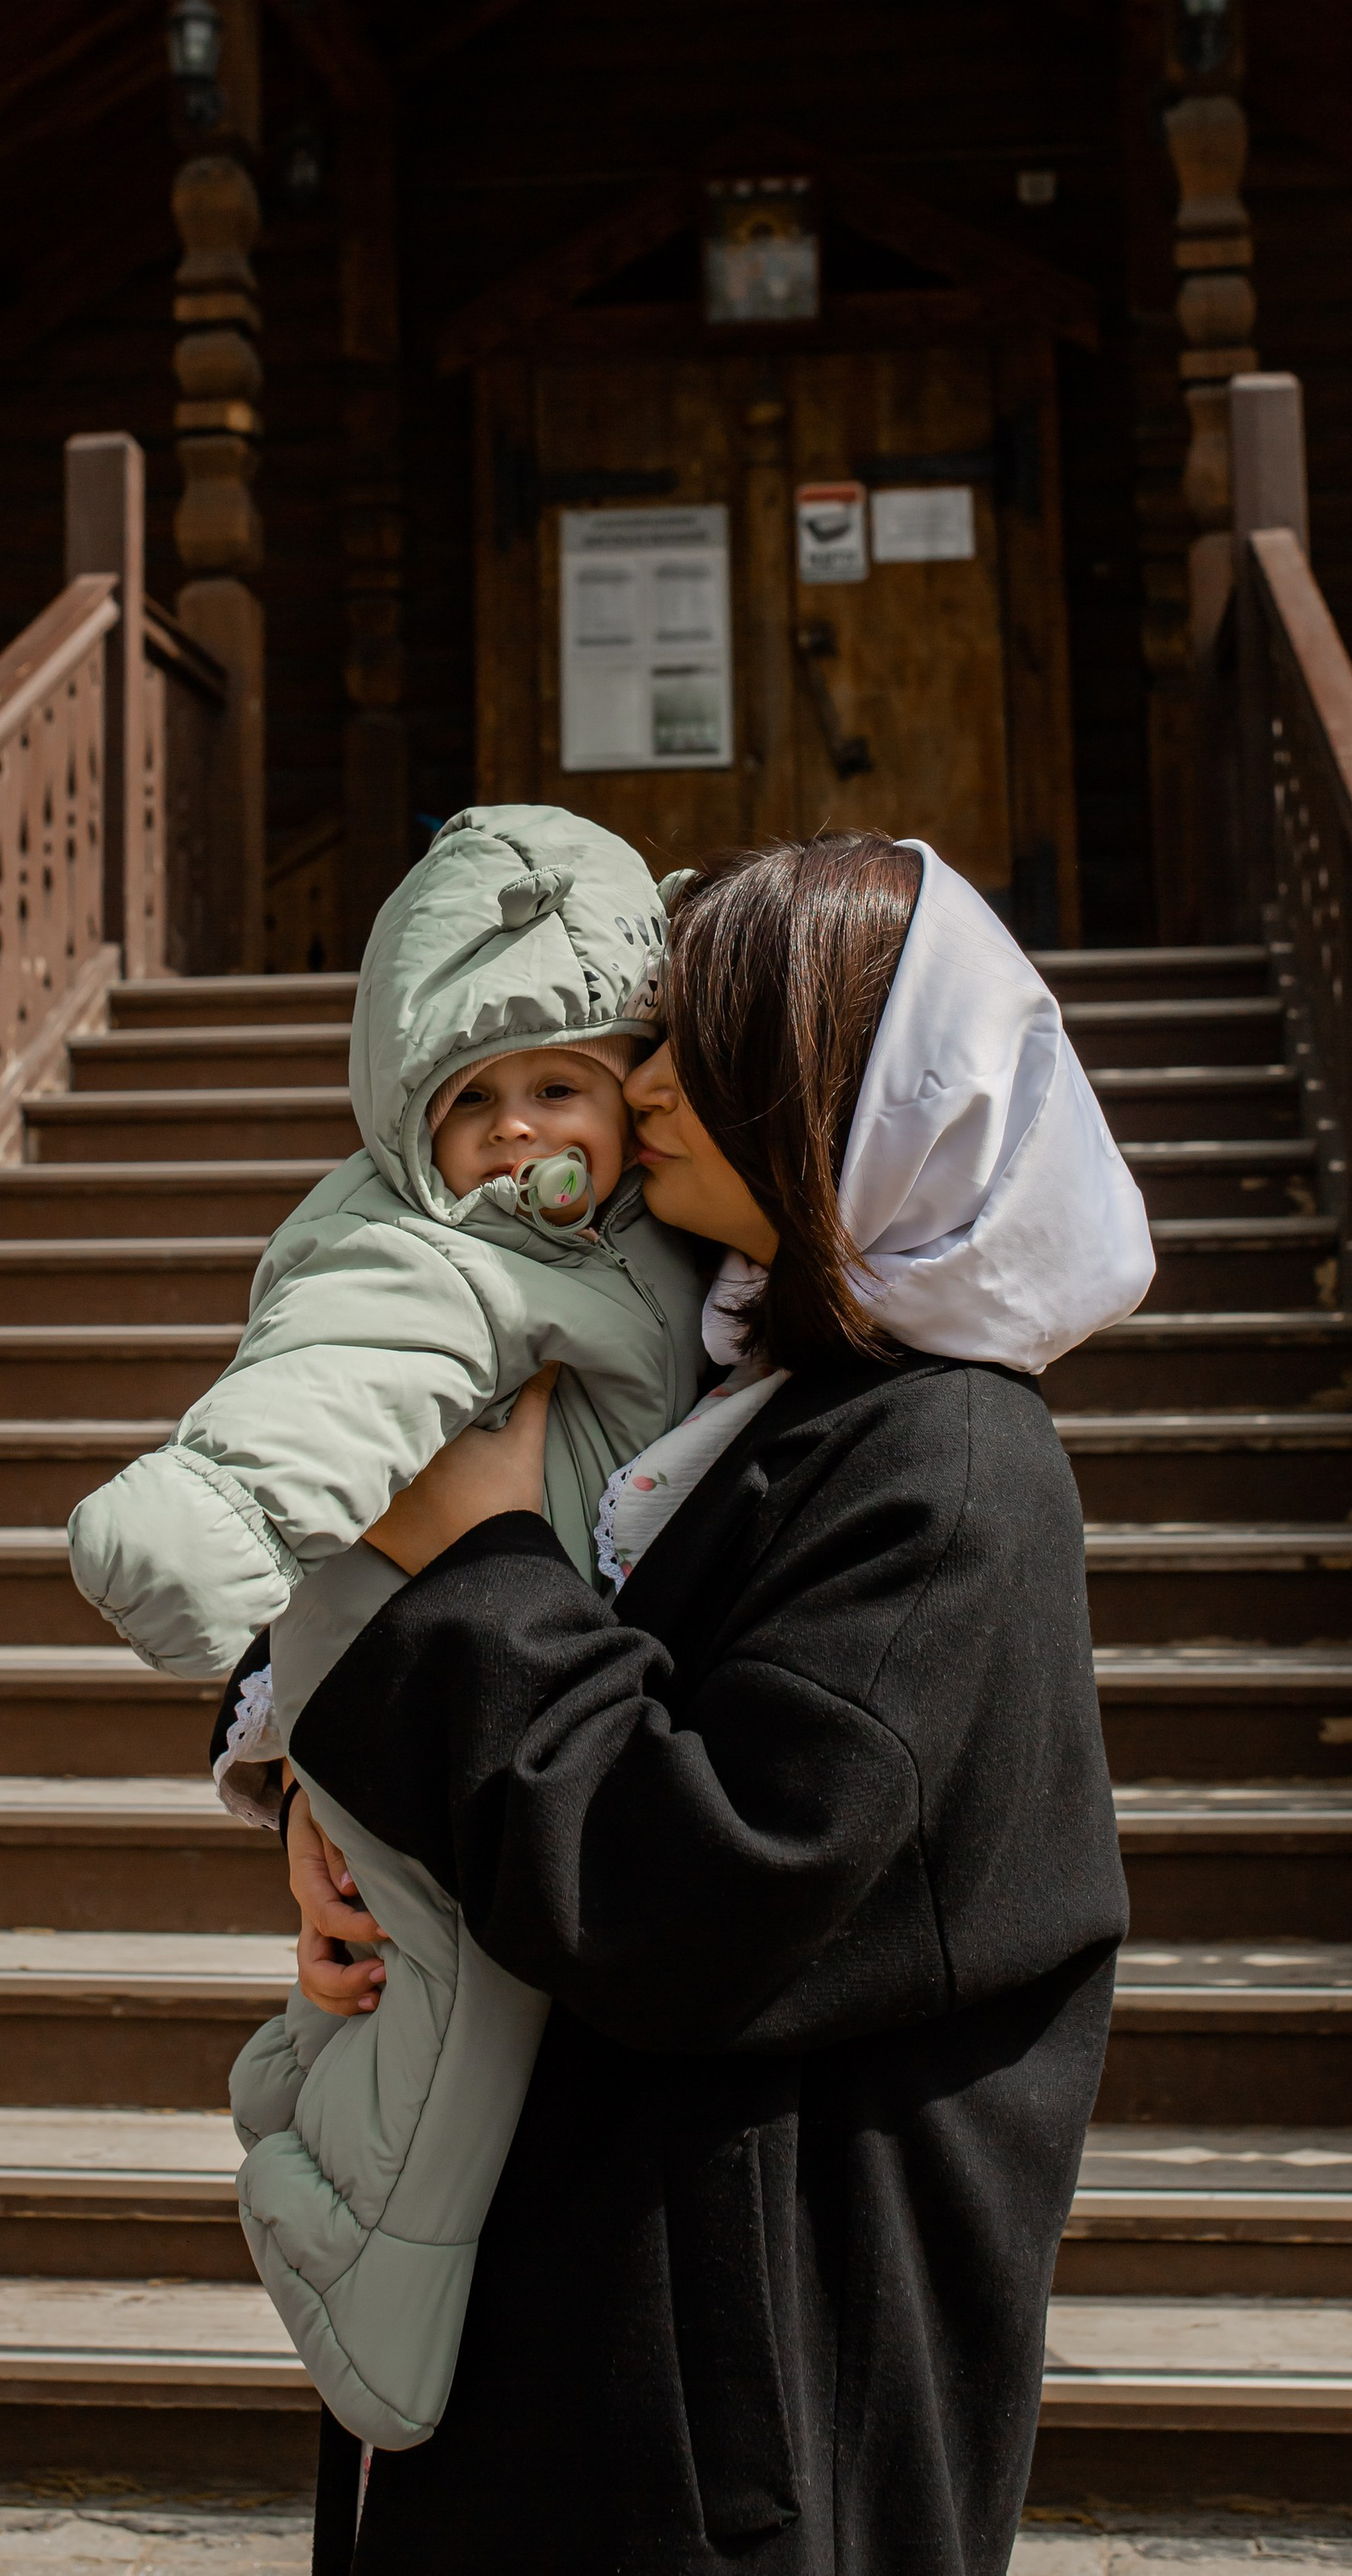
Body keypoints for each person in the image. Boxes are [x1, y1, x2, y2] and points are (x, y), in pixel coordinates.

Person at [283, 829, 1154, 2576]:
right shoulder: (743, 1394)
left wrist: (475, 1567)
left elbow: (692, 1890)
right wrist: (334, 1826)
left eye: (711, 1040)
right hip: (597, 2331)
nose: (645, 1082)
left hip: (735, 2408)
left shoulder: (946, 1469)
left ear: (852, 1091)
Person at [65, 804, 706, 2442]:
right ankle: (355, 2276)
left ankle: (298, 2103)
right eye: (468, 1102)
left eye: (556, 1087)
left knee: (408, 1985)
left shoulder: (666, 1244)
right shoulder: (433, 1252)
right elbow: (330, 1386)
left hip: (512, 1691)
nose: (512, 1136)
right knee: (460, 2009)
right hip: (425, 1676)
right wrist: (206, 1533)